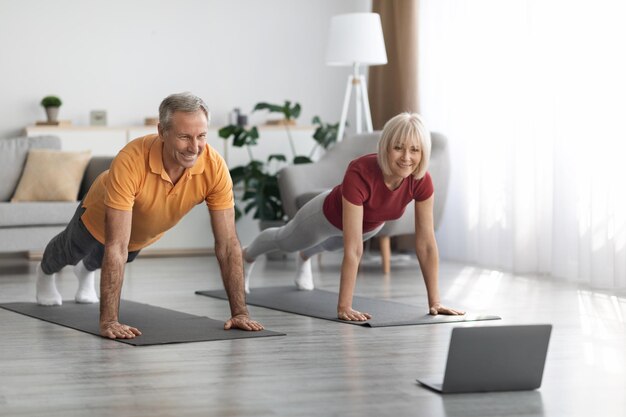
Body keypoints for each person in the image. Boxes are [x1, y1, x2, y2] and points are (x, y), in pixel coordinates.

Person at [36, 92, 264, 338]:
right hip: (100, 211)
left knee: (112, 259)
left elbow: (228, 244)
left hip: (142, 231)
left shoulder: (214, 167)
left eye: (201, 136)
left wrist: (240, 312)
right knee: (72, 250)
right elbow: (116, 245)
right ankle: (45, 273)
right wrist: (109, 322)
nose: (194, 147)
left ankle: (86, 272)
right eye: (184, 137)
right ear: (162, 131)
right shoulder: (131, 160)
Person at [243, 112, 464, 321]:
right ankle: (247, 256)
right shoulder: (361, 171)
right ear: (385, 147)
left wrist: (435, 302)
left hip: (370, 225)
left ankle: (305, 257)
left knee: (329, 247)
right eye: (398, 148)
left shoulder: (421, 180)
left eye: (415, 150)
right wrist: (344, 306)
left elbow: (426, 243)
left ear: (423, 152)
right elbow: (354, 248)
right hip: (325, 215)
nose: (407, 157)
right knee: (286, 241)